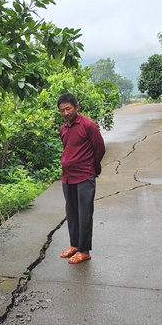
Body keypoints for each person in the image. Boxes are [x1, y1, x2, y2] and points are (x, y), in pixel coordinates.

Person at [57, 93, 106, 264]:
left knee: (84, 214)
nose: (65, 113)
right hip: (68, 178)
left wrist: (92, 168)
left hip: (84, 176)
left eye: (68, 109)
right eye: (62, 110)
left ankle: (84, 250)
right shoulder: (63, 128)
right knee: (71, 213)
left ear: (77, 107)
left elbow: (100, 149)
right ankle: (75, 245)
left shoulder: (88, 125)